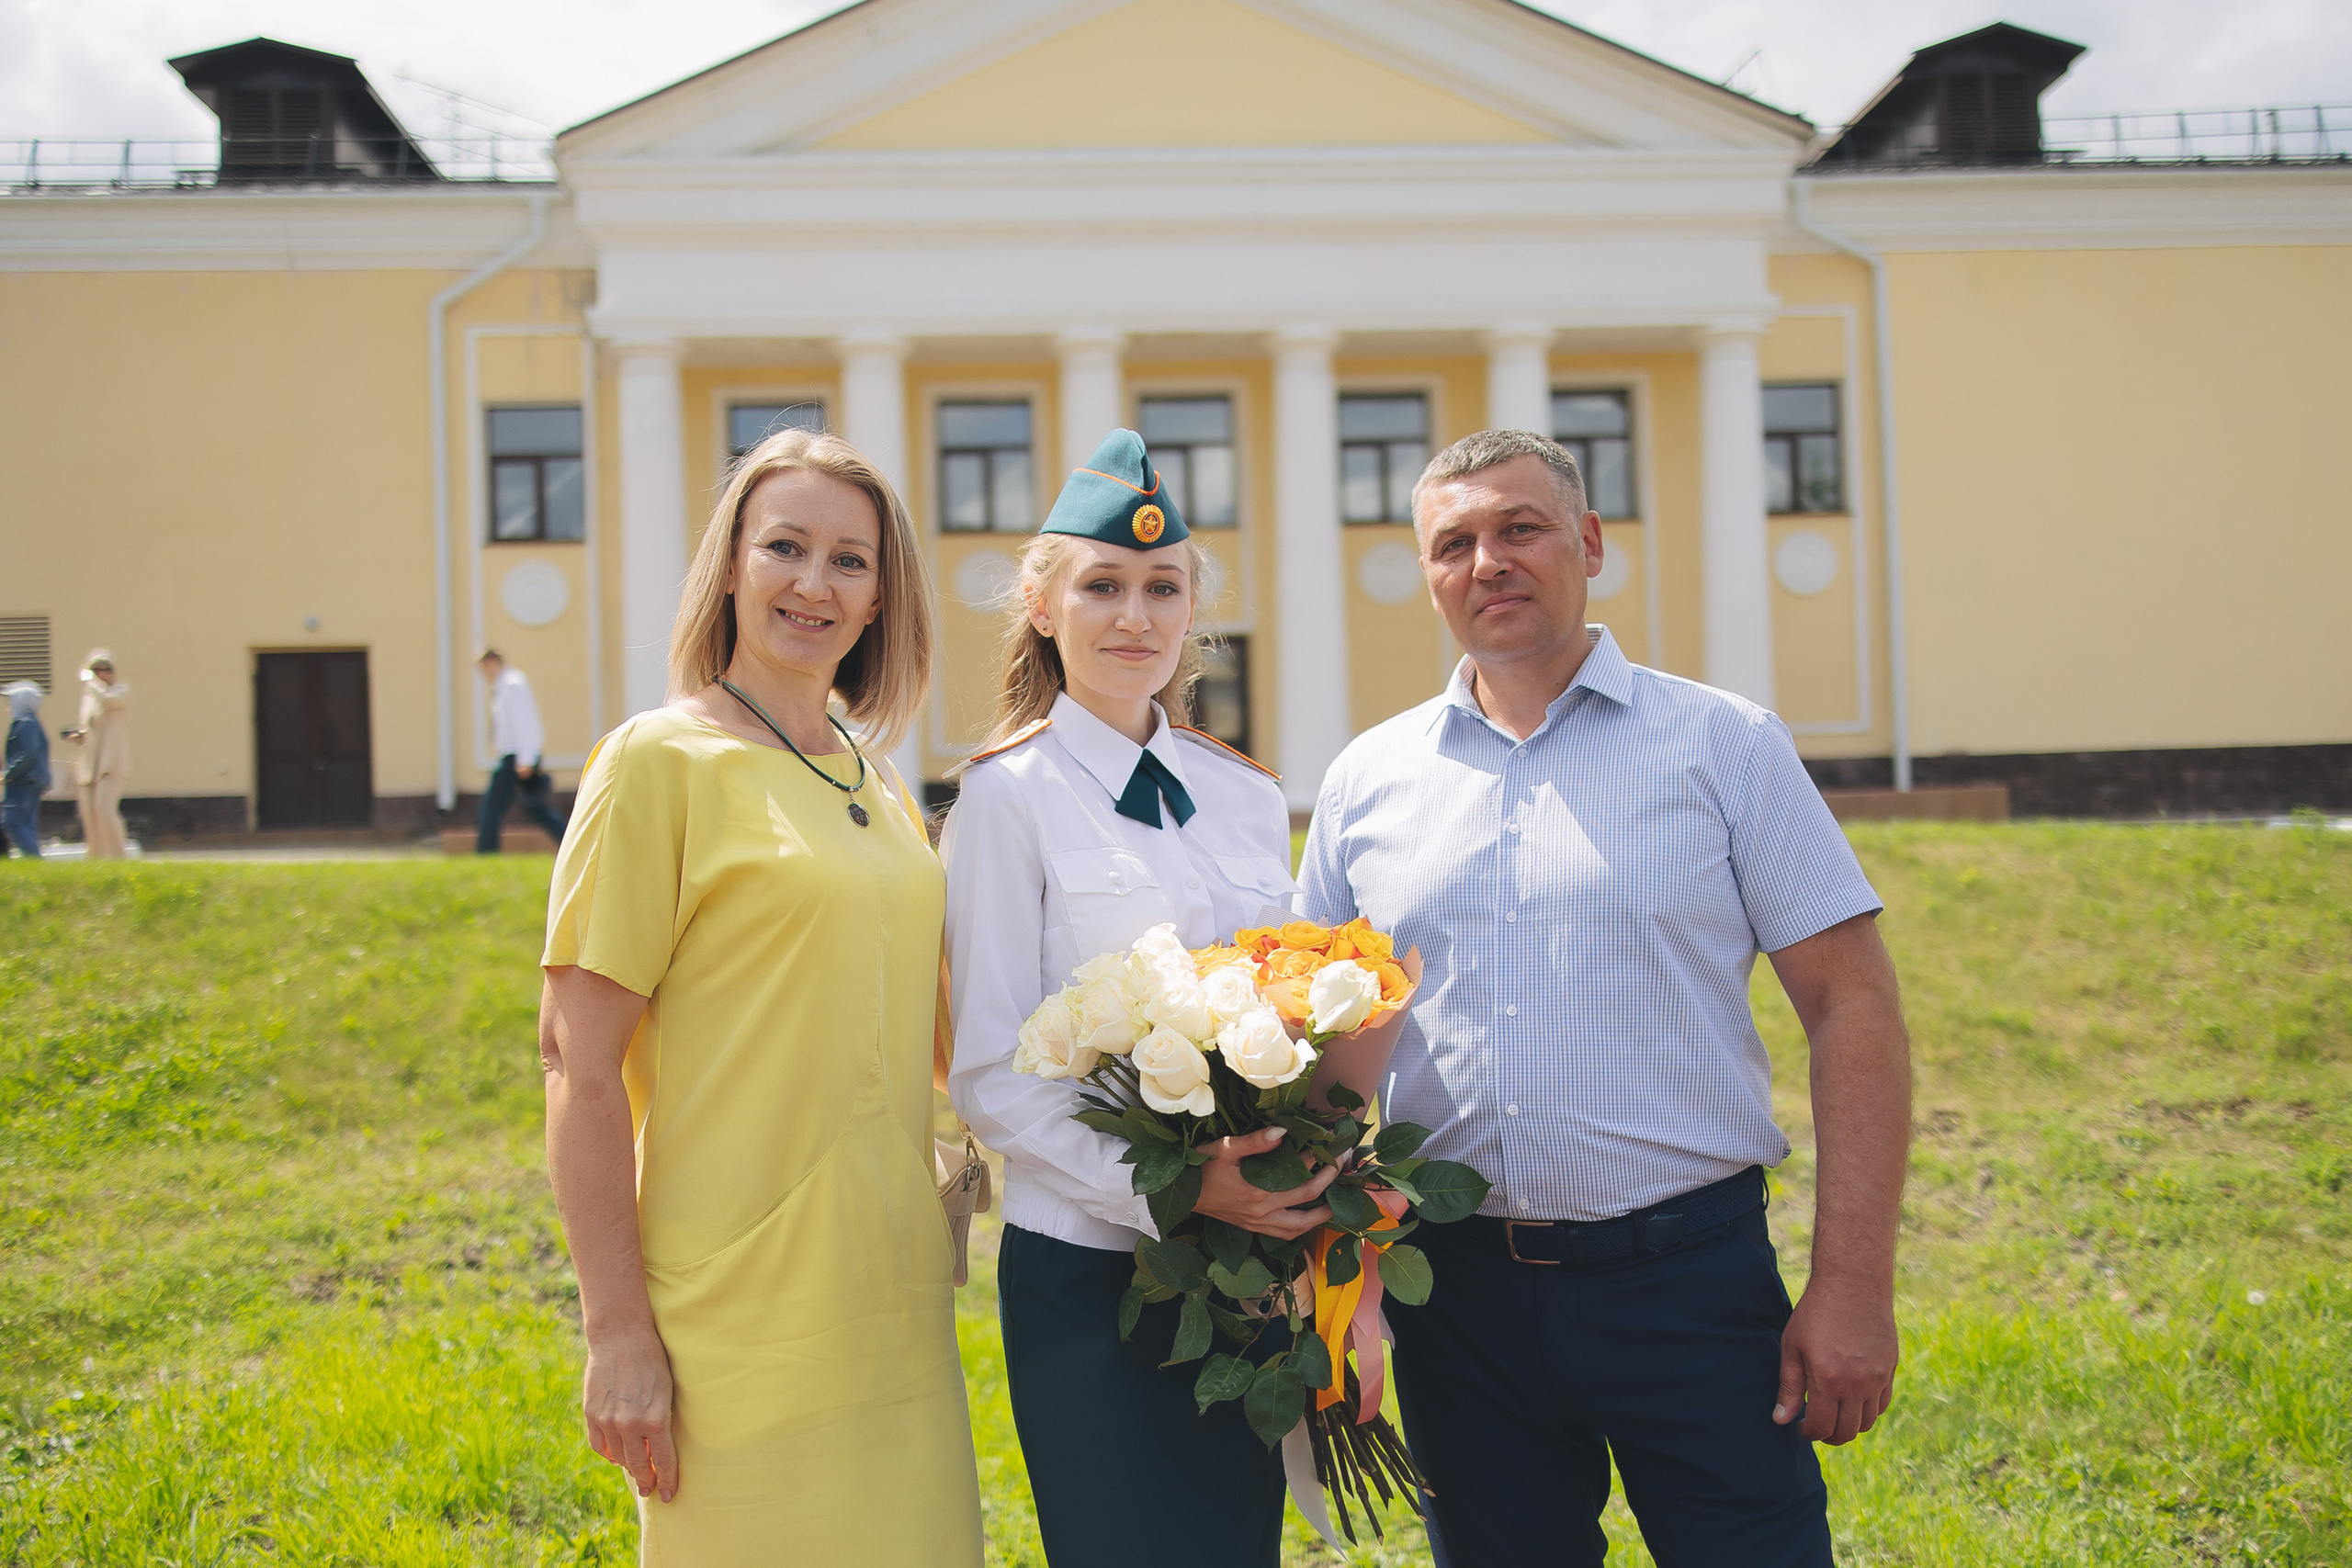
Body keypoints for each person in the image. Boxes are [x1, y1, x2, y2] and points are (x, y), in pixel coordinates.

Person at [1299, 429, 1912, 1567]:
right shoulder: (1365, 782)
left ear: (1587, 542)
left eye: (1519, 529)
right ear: (1427, 574)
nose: (1488, 561)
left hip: (1689, 1285)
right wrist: (1336, 1291)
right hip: (1458, 1297)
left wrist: (1851, 1287)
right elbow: (1329, 1058)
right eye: (1455, 542)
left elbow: (1852, 1007)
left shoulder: (1725, 746)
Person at [537, 427, 981, 1564]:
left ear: (882, 596)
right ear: (730, 564)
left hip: (892, 1304)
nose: (812, 583)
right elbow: (575, 1069)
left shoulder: (879, 782)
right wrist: (617, 1332)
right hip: (730, 1313)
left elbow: (942, 1041)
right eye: (784, 546)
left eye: (850, 560)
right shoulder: (654, 764)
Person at [944, 429, 1329, 1568]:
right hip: (1091, 1269)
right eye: (1102, 585)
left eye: (1163, 588)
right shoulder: (1005, 800)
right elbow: (989, 1070)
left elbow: (1291, 1009)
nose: (1134, 617)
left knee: (1231, 1546)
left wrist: (1279, 1174)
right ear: (1041, 601)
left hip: (1248, 1261)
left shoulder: (1245, 794)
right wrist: (1178, 1192)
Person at [476, 650, 568, 852]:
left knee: (492, 808)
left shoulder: (512, 685)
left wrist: (526, 759)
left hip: (516, 758)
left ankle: (486, 852)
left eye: (482, 667)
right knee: (535, 808)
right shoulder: (504, 687)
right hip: (517, 757)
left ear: (492, 662)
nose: (482, 673)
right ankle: (570, 843)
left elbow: (525, 722)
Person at [61, 650, 131, 859]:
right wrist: (79, 736)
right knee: (89, 813)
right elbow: (93, 725)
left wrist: (91, 682)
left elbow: (110, 701)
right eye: (96, 669)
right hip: (90, 763)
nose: (102, 673)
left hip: (112, 762)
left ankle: (119, 856)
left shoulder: (122, 690)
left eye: (106, 669)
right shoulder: (89, 697)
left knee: (104, 808)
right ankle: (96, 857)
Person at [4, 681, 51, 859]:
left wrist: (8, 773)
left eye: (11, 700)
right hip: (31, 779)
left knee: (12, 821)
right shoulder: (31, 722)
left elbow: (28, 752)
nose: (7, 705)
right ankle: (33, 860)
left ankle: (34, 859)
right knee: (26, 823)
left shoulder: (25, 723)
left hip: (24, 780)